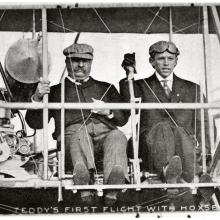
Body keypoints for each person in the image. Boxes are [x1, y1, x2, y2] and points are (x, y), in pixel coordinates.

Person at [25, 43, 128, 206]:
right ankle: (83, 181)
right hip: (72, 139)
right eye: (75, 60)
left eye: (85, 61)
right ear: (67, 62)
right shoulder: (55, 91)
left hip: (104, 137)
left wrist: (108, 111)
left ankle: (112, 188)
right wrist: (37, 97)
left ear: (91, 62)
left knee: (117, 135)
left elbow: (122, 119)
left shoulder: (106, 88)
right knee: (79, 133)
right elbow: (35, 123)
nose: (81, 65)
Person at [119, 41, 211, 189]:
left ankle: (193, 173)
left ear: (176, 62)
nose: (166, 63)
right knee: (163, 127)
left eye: (170, 59)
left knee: (181, 131)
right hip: (150, 147)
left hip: (184, 147)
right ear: (152, 62)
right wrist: (129, 76)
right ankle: (178, 173)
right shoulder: (141, 86)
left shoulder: (192, 88)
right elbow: (128, 104)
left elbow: (205, 123)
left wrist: (205, 151)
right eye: (161, 59)